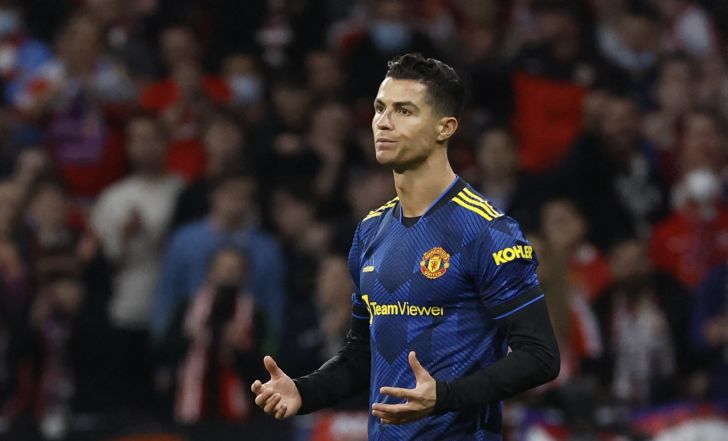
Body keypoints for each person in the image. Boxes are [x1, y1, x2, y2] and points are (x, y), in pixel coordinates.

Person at [251, 53, 559, 440]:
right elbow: (362, 355)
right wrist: (304, 390)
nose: (384, 122)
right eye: (380, 108)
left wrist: (445, 396)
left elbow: (540, 356)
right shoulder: (370, 231)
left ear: (445, 127)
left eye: (404, 111)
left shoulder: (488, 231)